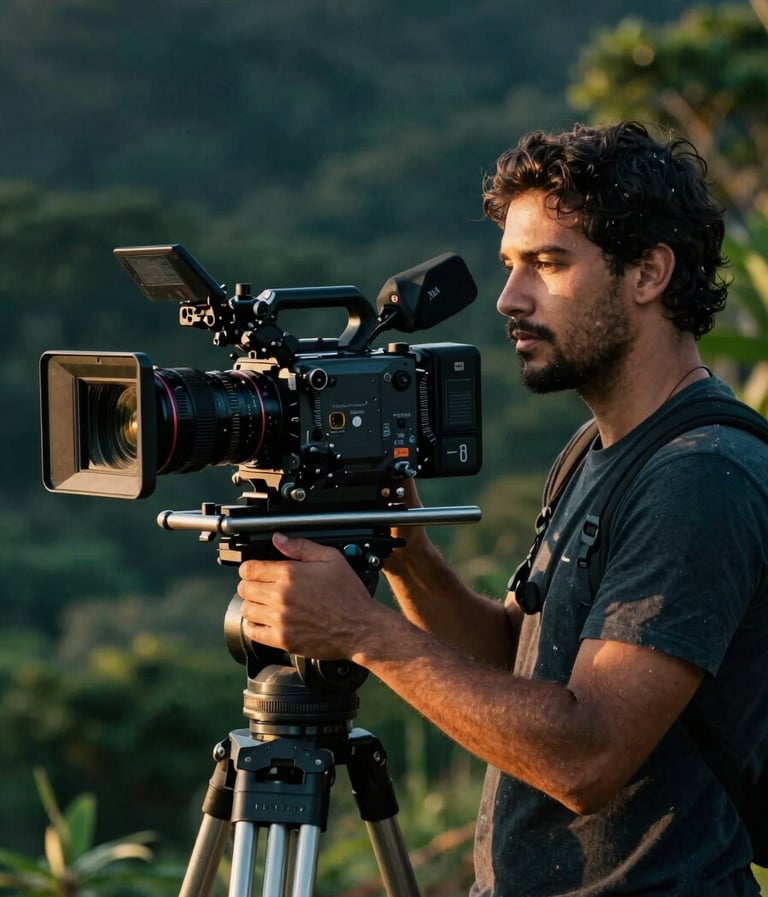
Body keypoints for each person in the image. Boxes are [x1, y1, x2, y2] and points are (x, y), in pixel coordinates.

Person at [236, 121, 768, 895]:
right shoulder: (595, 448)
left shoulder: (700, 475)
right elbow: (518, 661)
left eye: (548, 264)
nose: (511, 299)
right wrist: (403, 548)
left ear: (650, 272)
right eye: (511, 265)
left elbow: (587, 753)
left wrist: (359, 631)